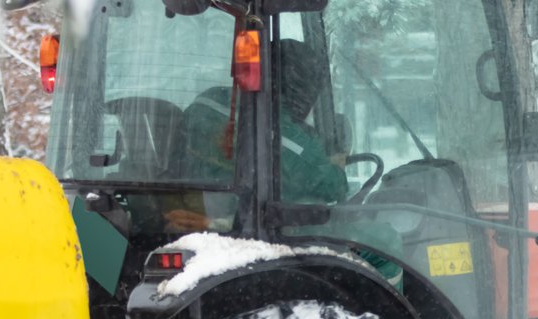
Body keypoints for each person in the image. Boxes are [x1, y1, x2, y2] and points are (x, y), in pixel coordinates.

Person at [167, 39, 405, 289]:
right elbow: (331, 188)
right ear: (300, 86)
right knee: (384, 241)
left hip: (204, 212)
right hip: (245, 228)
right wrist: (335, 166)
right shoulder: (277, 131)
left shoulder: (210, 101)